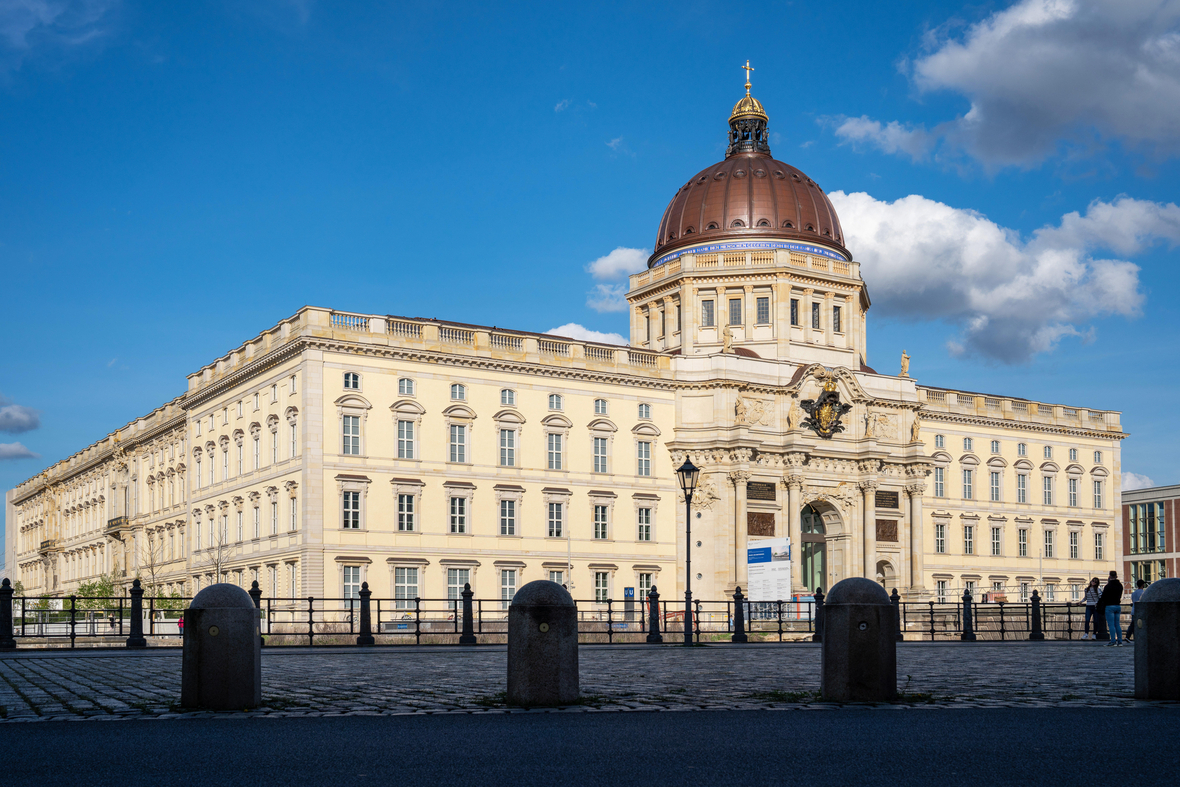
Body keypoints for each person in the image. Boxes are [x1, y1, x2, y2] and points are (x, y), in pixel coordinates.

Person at [1098, 570, 1125, 646]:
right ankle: (1120, 641)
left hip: (1109, 606)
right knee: (1117, 624)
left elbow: (1103, 597)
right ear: (1116, 576)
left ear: (1109, 576)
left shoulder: (1107, 586)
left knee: (1111, 625)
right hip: (1117, 605)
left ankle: (1113, 641)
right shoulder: (1120, 586)